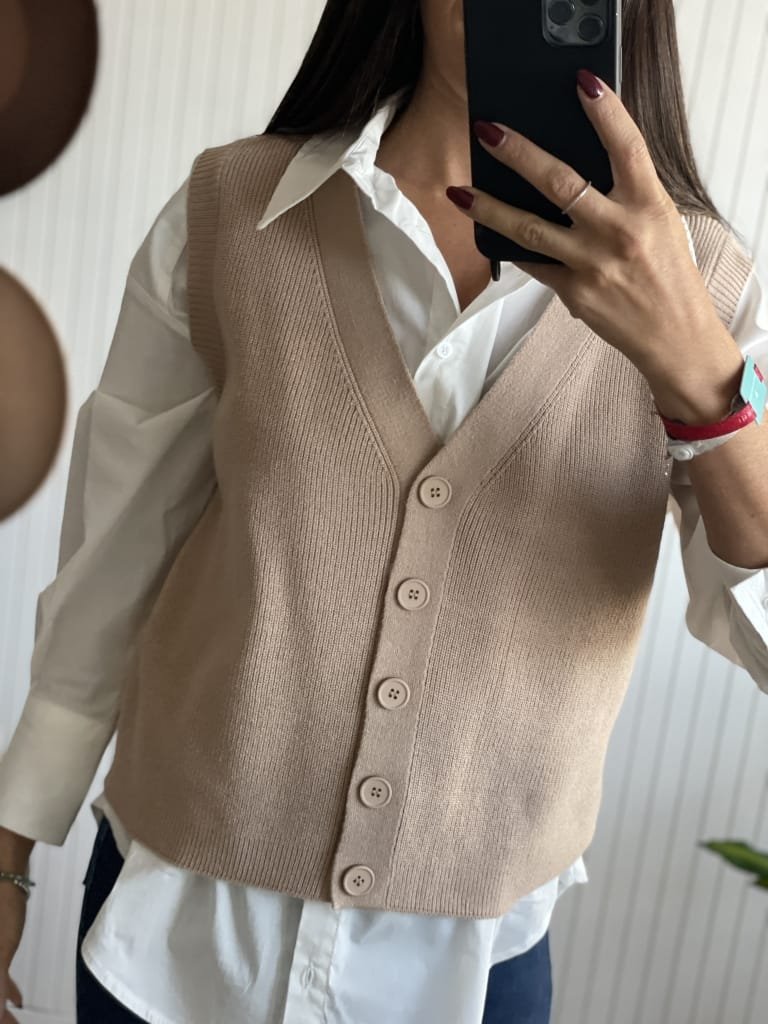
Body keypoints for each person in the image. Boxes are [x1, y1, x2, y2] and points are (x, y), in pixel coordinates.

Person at [2, 1, 768, 1022]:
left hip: (474, 964)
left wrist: (701, 376)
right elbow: (116, 556)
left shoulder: (710, 286)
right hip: (169, 933)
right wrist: (9, 848)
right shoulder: (234, 211)